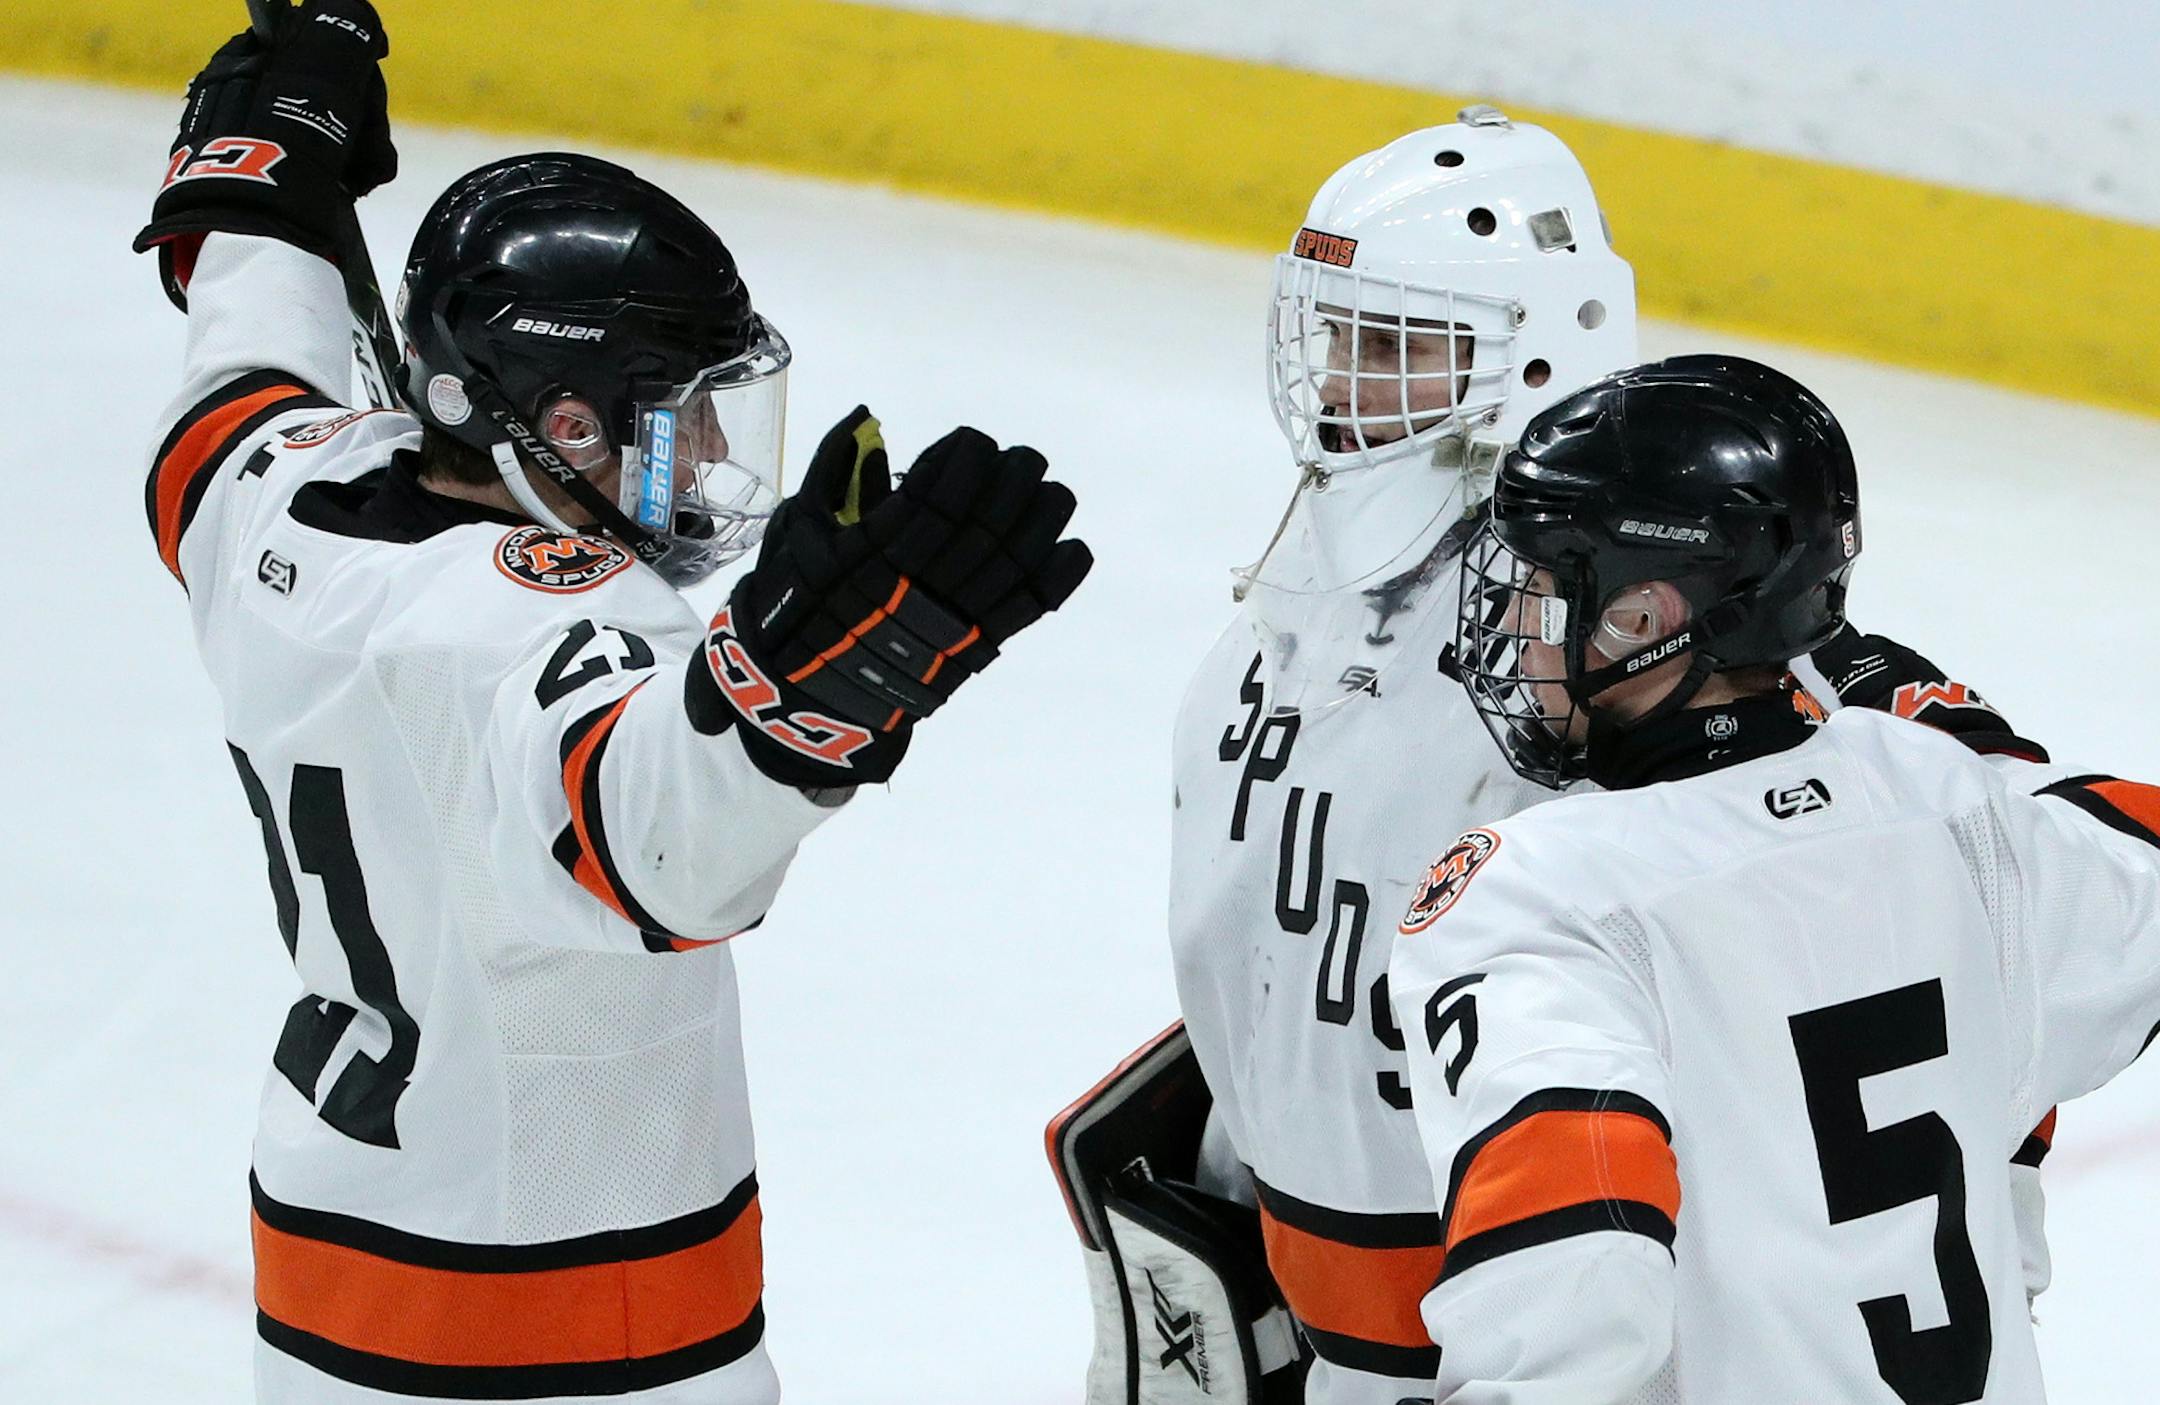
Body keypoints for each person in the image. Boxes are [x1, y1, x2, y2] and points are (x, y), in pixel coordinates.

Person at [131, 3, 1089, 1400]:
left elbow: (236, 360)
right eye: (672, 412)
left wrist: (267, 146)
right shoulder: (553, 615)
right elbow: (660, 839)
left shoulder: (270, 496)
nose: (704, 453)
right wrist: (804, 700)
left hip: (325, 1286)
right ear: (557, 419)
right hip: (578, 1332)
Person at [1045, 115, 2053, 1405]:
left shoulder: (1617, 638)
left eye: (1402, 345)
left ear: (1544, 348)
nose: (1348, 387)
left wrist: (1985, 1219)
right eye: (1342, 335)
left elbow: (1940, 926)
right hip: (1301, 1319)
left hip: (1539, 1333)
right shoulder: (1312, 584)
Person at [1388, 355, 2134, 1403]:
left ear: (1644, 617)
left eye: (1546, 590)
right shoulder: (1951, 803)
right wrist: (1998, 764)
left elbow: (1578, 1270)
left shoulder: (1541, 898)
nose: (1514, 628)